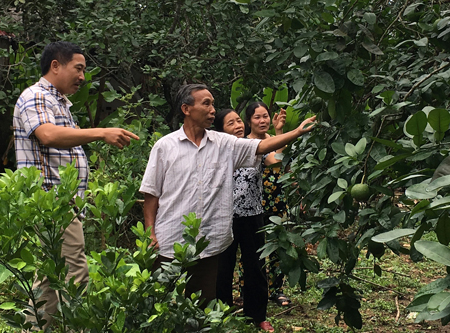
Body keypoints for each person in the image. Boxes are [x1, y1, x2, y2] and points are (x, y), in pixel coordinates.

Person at [139, 84, 316, 313]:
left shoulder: (224, 144)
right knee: (160, 305)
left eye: (213, 103)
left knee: (201, 308)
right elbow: (151, 193)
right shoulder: (165, 146)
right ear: (186, 109)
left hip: (208, 244)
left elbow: (261, 146)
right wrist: (150, 232)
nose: (213, 109)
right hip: (169, 239)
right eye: (206, 103)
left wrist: (297, 132)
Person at [13, 41, 139, 330]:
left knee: (48, 278)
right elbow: (47, 135)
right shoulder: (36, 96)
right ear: (55, 66)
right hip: (52, 201)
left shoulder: (58, 102)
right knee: (75, 275)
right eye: (78, 68)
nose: (82, 76)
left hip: (59, 202)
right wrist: (101, 132)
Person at [214, 108, 283, 331]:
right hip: (224, 217)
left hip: (252, 215)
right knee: (223, 268)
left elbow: (276, 161)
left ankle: (258, 315)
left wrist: (278, 132)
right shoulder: (215, 151)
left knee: (256, 267)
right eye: (230, 123)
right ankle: (222, 314)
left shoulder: (253, 148)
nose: (237, 126)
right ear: (220, 131)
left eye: (238, 121)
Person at [246, 102, 292, 307]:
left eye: (265, 116)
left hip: (278, 200)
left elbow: (282, 161)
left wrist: (279, 131)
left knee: (277, 244)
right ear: (249, 121)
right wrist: (279, 134)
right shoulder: (245, 144)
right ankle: (248, 289)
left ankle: (276, 289)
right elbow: (274, 158)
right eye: (257, 117)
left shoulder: (273, 140)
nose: (262, 120)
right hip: (254, 202)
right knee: (253, 247)